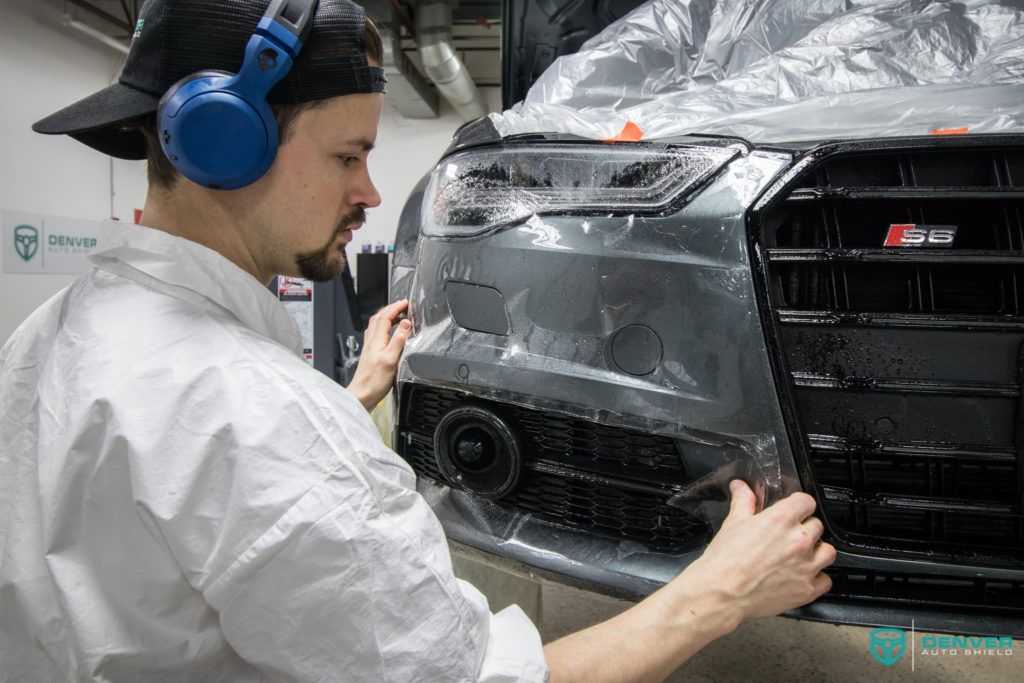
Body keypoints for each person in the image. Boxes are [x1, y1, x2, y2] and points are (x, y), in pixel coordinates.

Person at [0, 0, 836, 681]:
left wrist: (343, 399)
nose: (369, 190)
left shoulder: (52, 337)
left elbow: (192, 495)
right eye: (347, 155)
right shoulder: (259, 417)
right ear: (229, 145)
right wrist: (718, 594)